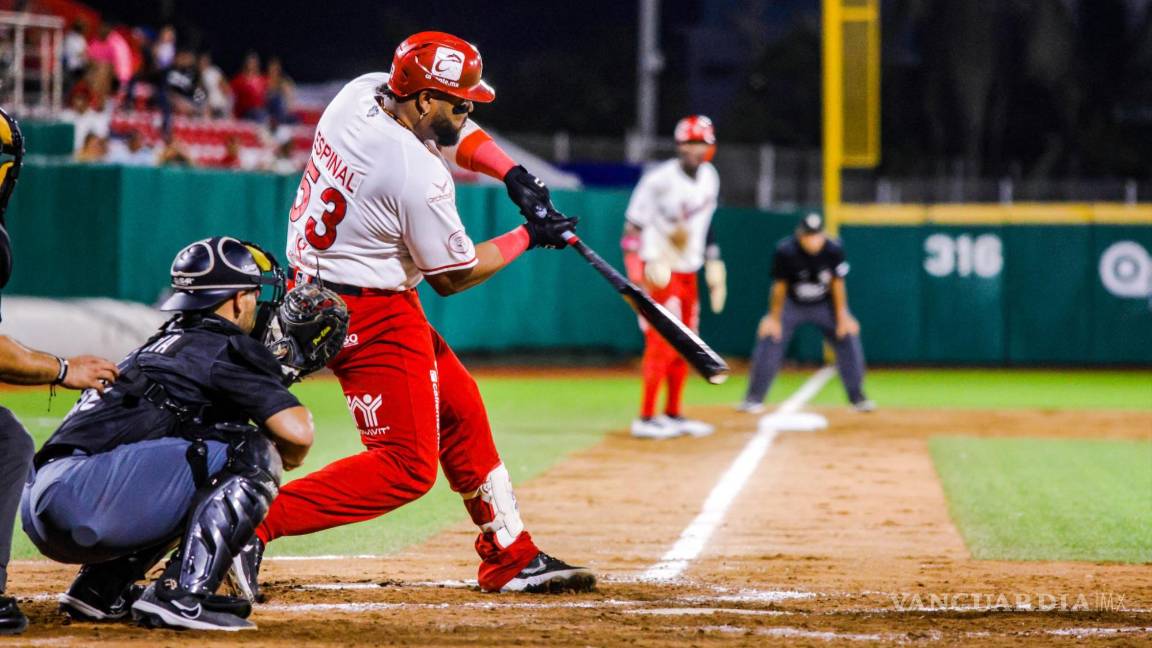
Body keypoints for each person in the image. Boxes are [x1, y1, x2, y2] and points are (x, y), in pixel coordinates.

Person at [229, 31, 593, 601]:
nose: (469, 108)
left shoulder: (362, 92)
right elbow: (454, 276)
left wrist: (511, 174)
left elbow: (452, 130)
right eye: (459, 100)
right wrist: (529, 234)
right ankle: (245, 524)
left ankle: (509, 555)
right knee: (405, 467)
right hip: (367, 310)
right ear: (423, 100)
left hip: (318, 287)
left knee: (461, 405)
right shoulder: (416, 176)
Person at [20, 237, 343, 631]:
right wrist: (280, 444)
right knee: (250, 450)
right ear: (239, 299)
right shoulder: (222, 346)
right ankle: (183, 595)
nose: (257, 305)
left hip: (45, 502)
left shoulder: (166, 341)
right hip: (83, 498)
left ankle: (99, 590)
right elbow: (298, 433)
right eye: (254, 294)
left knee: (204, 454)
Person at [621, 115, 727, 439]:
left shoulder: (710, 178)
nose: (695, 149)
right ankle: (647, 417)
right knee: (660, 344)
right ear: (679, 145)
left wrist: (713, 260)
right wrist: (636, 276)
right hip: (659, 269)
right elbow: (631, 230)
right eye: (690, 143)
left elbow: (705, 224)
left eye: (701, 143)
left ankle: (673, 413)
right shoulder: (658, 181)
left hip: (689, 269)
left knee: (687, 343)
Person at [738, 212, 874, 413]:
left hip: (824, 305)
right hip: (793, 304)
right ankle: (754, 398)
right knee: (770, 337)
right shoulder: (786, 250)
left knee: (848, 336)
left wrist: (843, 316)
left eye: (816, 235)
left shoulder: (833, 249)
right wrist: (773, 318)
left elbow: (837, 284)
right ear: (799, 235)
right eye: (808, 236)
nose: (812, 240)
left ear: (822, 235)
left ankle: (858, 398)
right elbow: (779, 286)